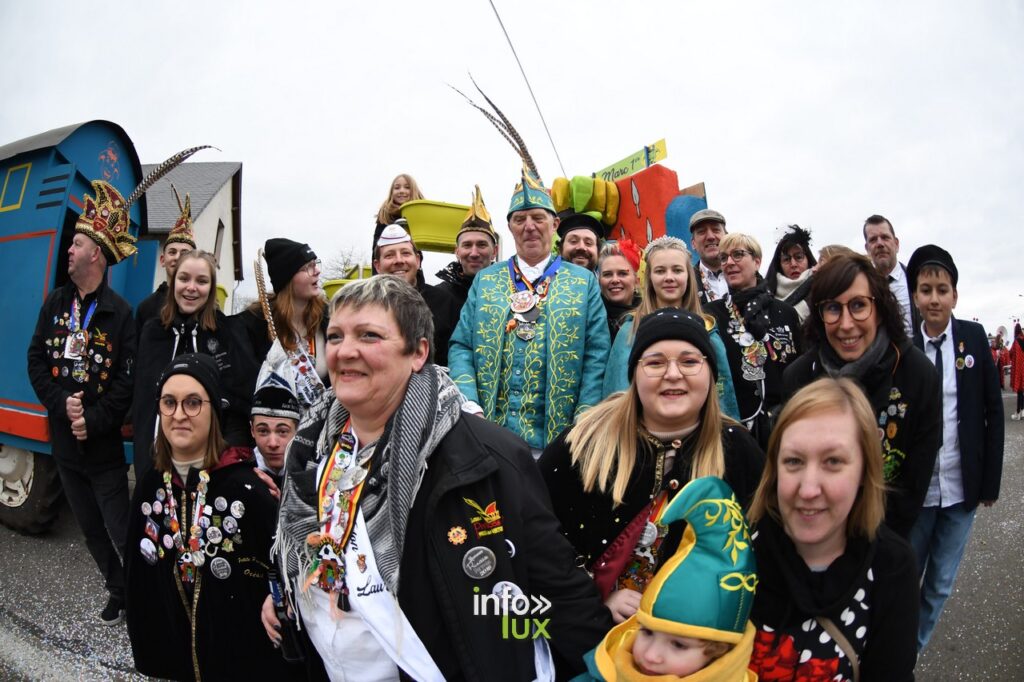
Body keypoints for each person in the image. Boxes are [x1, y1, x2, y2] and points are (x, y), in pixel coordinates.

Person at [263, 276, 613, 681]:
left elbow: (553, 591)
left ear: (418, 352)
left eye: (369, 336)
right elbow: (300, 552)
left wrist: (603, 663)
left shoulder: (486, 455)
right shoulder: (309, 449)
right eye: (337, 336)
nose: (345, 351)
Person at [539, 309, 763, 624]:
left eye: (689, 361)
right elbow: (536, 534)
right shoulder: (584, 442)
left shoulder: (739, 451)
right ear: (634, 374)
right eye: (655, 362)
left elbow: (758, 557)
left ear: (711, 374)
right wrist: (593, 592)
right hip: (589, 636)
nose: (673, 374)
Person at [125, 354, 288, 680]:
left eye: (193, 403)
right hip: (177, 658)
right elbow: (138, 578)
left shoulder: (246, 488)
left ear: (215, 411)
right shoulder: (151, 484)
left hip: (239, 663)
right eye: (169, 403)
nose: (179, 415)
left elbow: (282, 572)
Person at [747, 377, 919, 681]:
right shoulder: (738, 555)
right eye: (794, 461)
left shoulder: (891, 568)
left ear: (865, 470)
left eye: (833, 461)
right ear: (774, 469)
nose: (809, 488)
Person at [27, 179, 137, 626]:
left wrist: (90, 420)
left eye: (75, 243)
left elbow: (126, 384)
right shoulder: (55, 302)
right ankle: (118, 590)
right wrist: (61, 406)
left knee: (121, 530)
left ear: (96, 253)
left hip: (104, 452)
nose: (68, 249)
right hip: (65, 449)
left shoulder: (120, 313)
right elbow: (36, 359)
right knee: (91, 532)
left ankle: (143, 595)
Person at [449, 167, 610, 452]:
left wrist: (584, 419)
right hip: (489, 433)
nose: (529, 226)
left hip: (559, 438)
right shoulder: (486, 281)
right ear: (510, 227)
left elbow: (597, 352)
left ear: (555, 224)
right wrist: (470, 404)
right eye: (520, 219)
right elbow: (461, 345)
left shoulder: (583, 282)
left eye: (538, 218)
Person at [782, 253, 941, 538]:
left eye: (858, 306)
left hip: (886, 541)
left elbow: (913, 486)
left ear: (879, 308)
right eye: (833, 308)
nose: (846, 324)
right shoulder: (798, 378)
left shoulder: (918, 375)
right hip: (812, 540)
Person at [906, 245, 1004, 650]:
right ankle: (890, 651)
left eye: (942, 289)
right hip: (918, 493)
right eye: (926, 289)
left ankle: (909, 656)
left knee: (940, 584)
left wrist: (990, 484)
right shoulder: (904, 348)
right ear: (914, 296)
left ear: (955, 296)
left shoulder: (974, 339)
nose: (934, 298)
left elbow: (993, 412)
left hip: (961, 488)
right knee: (905, 578)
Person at [577, 477, 758, 681]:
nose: (650, 655)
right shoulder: (601, 672)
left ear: (720, 652)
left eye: (679, 645)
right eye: (646, 632)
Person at [133, 250, 257, 484]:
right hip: (156, 460)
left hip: (211, 466)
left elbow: (242, 399)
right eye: (184, 278)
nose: (191, 287)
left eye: (201, 281)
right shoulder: (152, 332)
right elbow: (143, 403)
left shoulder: (226, 333)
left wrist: (228, 457)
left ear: (211, 288)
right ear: (173, 282)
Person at [603, 237, 740, 422]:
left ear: (688, 276)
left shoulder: (707, 328)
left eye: (677, 270)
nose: (669, 277)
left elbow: (722, 396)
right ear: (649, 278)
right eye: (660, 271)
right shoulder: (631, 329)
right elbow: (618, 394)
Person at [704, 233, 802, 447]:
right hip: (736, 431)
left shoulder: (785, 312)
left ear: (757, 261)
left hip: (786, 426)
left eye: (738, 255)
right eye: (724, 258)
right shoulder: (711, 315)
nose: (729, 263)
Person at [238, 237, 328, 410]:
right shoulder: (255, 324)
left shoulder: (328, 318)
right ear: (287, 278)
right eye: (306, 268)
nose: (316, 271)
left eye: (315, 264)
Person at [374, 222, 460, 367]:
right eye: (389, 255)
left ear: (418, 260)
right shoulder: (364, 307)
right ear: (377, 266)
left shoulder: (445, 302)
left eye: (405, 253)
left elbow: (457, 357)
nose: (399, 260)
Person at [135, 186, 195, 336]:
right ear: (163, 260)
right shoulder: (146, 308)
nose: (177, 257)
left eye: (184, 252)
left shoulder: (204, 306)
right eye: (172, 252)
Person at [436, 185, 499, 311]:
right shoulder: (438, 297)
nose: (474, 253)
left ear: (495, 252)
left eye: (481, 245)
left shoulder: (509, 293)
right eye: (467, 245)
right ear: (457, 251)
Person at [249, 342, 302, 487]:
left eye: (282, 431)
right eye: (263, 431)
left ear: (298, 430)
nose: (273, 443)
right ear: (252, 430)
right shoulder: (240, 474)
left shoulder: (314, 475)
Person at [863, 214, 920, 337]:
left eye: (885, 237)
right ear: (867, 248)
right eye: (873, 240)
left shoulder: (917, 281)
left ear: (896, 244)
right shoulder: (861, 285)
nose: (880, 244)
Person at [764, 224, 816, 322]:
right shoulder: (764, 297)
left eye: (799, 257)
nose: (793, 264)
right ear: (779, 264)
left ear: (808, 259)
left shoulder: (822, 289)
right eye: (786, 259)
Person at [370, 173, 424, 263]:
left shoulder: (419, 214)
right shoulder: (386, 215)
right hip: (389, 266)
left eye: (407, 187)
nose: (401, 191)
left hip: (412, 265)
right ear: (392, 192)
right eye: (397, 188)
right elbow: (377, 248)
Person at [597, 239, 641, 342]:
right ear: (599, 281)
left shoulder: (647, 317)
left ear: (636, 281)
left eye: (622, 273)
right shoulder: (591, 317)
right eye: (607, 274)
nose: (615, 280)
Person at [688, 209, 728, 305]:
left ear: (727, 237)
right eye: (702, 232)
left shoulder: (746, 275)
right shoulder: (686, 282)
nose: (710, 237)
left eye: (716, 230)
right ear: (693, 244)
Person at [1011, 322, 1024, 420]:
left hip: (1019, 369)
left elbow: (1011, 353)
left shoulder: (1016, 342)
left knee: (1020, 391)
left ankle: (1018, 413)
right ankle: (1023, 412)